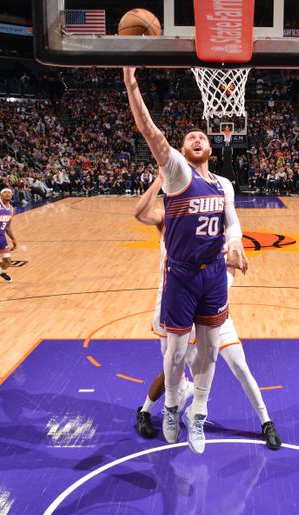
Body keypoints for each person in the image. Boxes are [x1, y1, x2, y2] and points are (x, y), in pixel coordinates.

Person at [124, 66, 248, 454]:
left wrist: (237, 241)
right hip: (179, 276)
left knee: (209, 351)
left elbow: (232, 220)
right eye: (190, 136)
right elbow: (149, 130)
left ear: (212, 148)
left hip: (212, 273)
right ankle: (170, 408)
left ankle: (198, 414)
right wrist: (131, 83)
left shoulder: (222, 183)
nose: (197, 138)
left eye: (202, 136)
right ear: (182, 149)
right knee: (176, 354)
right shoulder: (176, 172)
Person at [133, 178, 282, 450]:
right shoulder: (170, 216)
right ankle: (147, 410)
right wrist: (159, 179)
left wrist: (234, 256)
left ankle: (264, 420)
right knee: (173, 368)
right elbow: (141, 213)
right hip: (176, 299)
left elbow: (230, 265)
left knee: (239, 365)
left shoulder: (217, 230)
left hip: (212, 310)